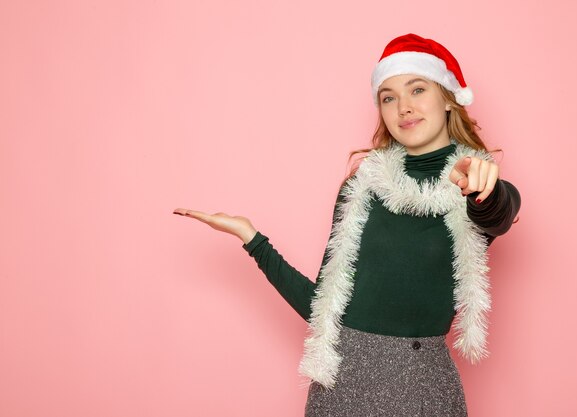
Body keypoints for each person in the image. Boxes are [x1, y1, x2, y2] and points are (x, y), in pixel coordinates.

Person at [173, 33, 521, 417]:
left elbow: (498, 213)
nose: (404, 106)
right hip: (342, 385)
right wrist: (252, 239)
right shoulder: (360, 188)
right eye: (388, 97)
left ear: (449, 99)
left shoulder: (476, 184)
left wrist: (481, 187)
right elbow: (322, 307)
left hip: (426, 390)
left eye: (417, 89)